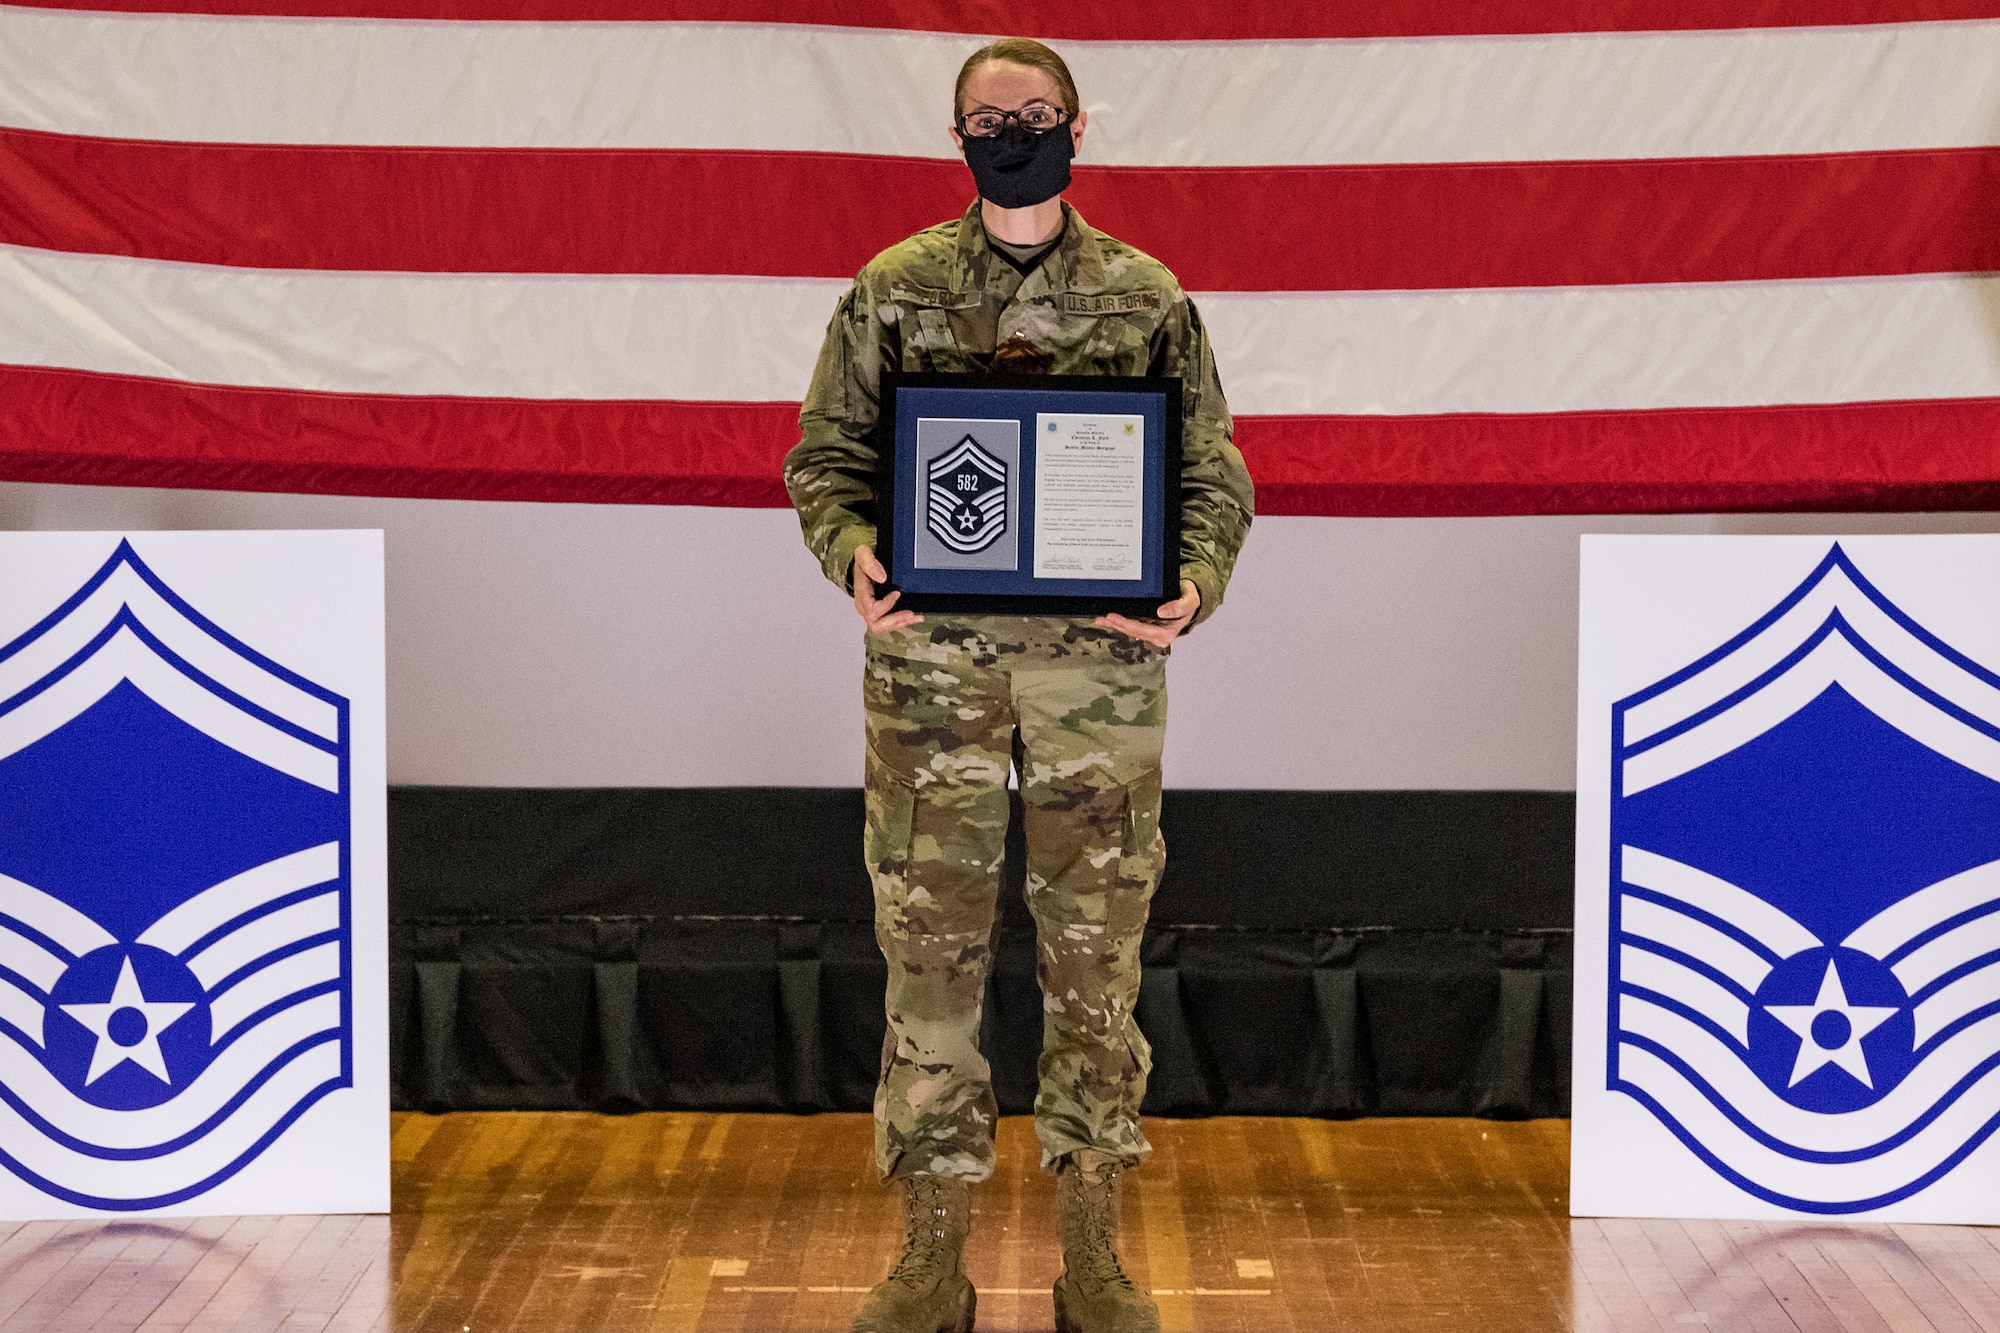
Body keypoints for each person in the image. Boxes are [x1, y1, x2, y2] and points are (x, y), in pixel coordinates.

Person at [783, 36, 1254, 1333]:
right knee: (927, 958)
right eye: (990, 117)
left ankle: (1090, 1247)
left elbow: (1214, 473)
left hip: (1096, 682)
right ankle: (933, 1252)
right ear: (956, 135)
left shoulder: (1144, 293)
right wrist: (854, 555)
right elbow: (823, 459)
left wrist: (1193, 584)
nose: (1014, 132)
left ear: (1078, 127)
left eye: (1034, 113)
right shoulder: (895, 287)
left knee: (1095, 961)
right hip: (931, 675)